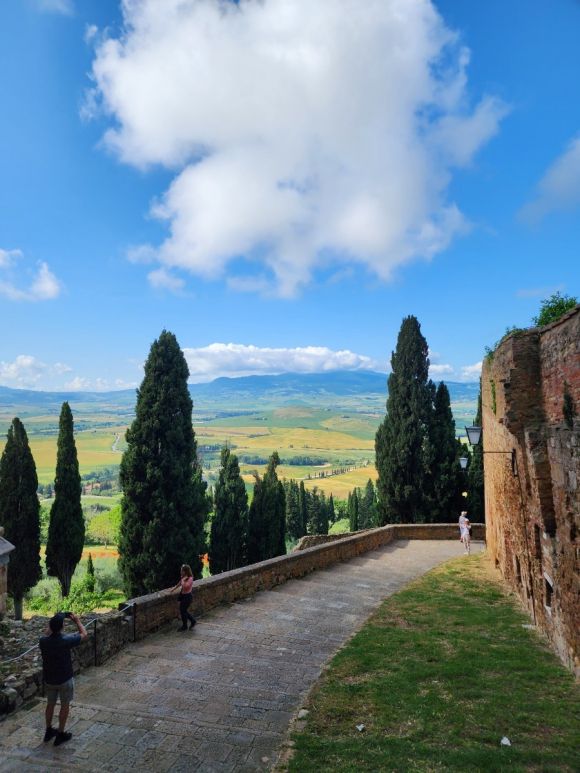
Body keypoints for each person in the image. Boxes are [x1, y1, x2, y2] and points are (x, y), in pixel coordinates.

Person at [39, 612, 88, 746]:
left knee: (50, 704)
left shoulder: (43, 641)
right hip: (64, 679)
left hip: (49, 679)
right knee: (64, 705)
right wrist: (77, 621)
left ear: (51, 626)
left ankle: (48, 730)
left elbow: (48, 632)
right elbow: (84, 634)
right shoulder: (66, 641)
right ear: (62, 627)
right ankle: (60, 734)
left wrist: (54, 622)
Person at [170, 564, 196, 631]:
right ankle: (192, 621)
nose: (180, 572)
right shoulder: (183, 577)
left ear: (186, 571)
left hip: (188, 597)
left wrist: (184, 580)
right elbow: (180, 583)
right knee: (183, 611)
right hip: (183, 596)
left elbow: (186, 586)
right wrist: (173, 589)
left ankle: (185, 625)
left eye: (182, 571)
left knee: (183, 610)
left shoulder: (190, 578)